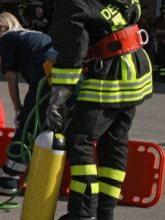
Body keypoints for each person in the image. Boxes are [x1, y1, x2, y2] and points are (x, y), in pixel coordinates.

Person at [48, 0, 152, 219]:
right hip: (134, 69)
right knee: (114, 143)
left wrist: (60, 93)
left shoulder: (73, 3)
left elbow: (74, 43)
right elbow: (135, 11)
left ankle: (82, 213)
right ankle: (105, 212)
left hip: (110, 75)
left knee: (79, 139)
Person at [0, 12, 56, 195]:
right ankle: (45, 180)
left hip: (45, 84)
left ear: (9, 24)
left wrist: (17, 108)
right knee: (49, 131)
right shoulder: (36, 35)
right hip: (64, 81)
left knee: (26, 131)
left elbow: (11, 78)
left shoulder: (8, 39)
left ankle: (8, 180)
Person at [153, 5, 165, 81]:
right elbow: (156, 31)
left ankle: (162, 76)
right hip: (158, 44)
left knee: (162, 61)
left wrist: (161, 32)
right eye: (162, 10)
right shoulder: (157, 20)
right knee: (158, 60)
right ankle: (157, 75)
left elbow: (159, 31)